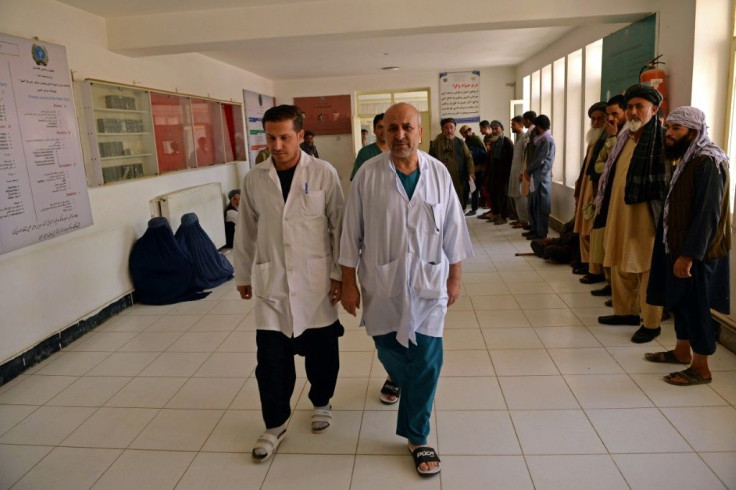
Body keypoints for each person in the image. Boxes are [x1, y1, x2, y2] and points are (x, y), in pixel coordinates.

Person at [340, 102, 473, 477]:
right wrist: (349, 283)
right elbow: (351, 234)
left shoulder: (438, 172)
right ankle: (398, 375)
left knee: (429, 359)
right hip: (382, 283)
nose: (400, 135)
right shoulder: (367, 175)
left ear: (419, 130)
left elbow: (453, 228)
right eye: (393, 128)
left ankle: (417, 436)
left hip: (430, 283)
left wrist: (456, 276)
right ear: (383, 131)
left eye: (408, 128)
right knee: (389, 347)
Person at [233, 104, 344, 463]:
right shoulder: (254, 179)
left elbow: (338, 227)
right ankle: (275, 423)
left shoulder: (323, 173)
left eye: (284, 137)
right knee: (271, 360)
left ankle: (322, 402)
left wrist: (341, 275)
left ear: (300, 135)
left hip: (316, 284)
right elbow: (246, 230)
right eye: (271, 137)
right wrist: (242, 273)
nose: (277, 145)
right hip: (273, 283)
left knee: (323, 355)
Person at [645, 106, 730, 385]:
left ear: (694, 132)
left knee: (697, 307)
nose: (669, 134)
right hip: (678, 247)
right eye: (668, 128)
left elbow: (707, 214)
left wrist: (689, 256)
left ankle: (701, 368)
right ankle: (682, 353)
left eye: (676, 129)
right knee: (680, 302)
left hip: (697, 254)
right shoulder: (687, 159)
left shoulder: (708, 161)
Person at [594, 84, 668, 343]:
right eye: (631, 107)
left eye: (640, 107)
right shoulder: (626, 138)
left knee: (647, 269)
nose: (634, 112)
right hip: (619, 213)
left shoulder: (662, 141)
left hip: (645, 218)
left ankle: (651, 323)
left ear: (654, 109)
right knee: (619, 261)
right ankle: (625, 311)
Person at [589, 95, 628, 298]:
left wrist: (609, 167)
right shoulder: (611, 136)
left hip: (620, 199)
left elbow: (615, 166)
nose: (611, 119)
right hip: (606, 195)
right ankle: (608, 281)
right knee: (605, 240)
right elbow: (599, 166)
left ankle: (618, 289)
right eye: (609, 115)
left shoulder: (625, 137)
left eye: (615, 114)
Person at [573, 102, 608, 281]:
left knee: (592, 228)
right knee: (583, 228)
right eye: (593, 119)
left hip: (596, 190)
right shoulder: (594, 141)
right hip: (586, 187)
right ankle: (586, 262)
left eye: (599, 118)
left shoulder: (608, 140)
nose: (595, 122)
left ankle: (595, 269)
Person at [175, 212, 234, 289]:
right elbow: (212, 256)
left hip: (185, 277)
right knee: (222, 261)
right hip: (207, 273)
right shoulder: (201, 238)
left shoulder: (178, 239)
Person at [429, 117, 475, 210]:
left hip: (458, 176)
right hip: (441, 176)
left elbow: (468, 158)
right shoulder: (435, 143)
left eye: (451, 127)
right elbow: (430, 160)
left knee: (460, 197)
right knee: (444, 198)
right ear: (442, 129)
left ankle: (460, 216)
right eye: (446, 128)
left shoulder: (460, 142)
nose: (449, 130)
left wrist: (471, 172)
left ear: (455, 129)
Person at [523, 114, 555, 240]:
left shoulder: (547, 140)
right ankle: (535, 228)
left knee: (541, 205)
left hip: (541, 177)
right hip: (535, 176)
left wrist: (528, 169)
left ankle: (541, 232)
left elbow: (540, 160)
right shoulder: (541, 139)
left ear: (538, 126)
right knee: (533, 203)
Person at [484, 120, 515, 225]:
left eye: (496, 128)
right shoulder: (493, 142)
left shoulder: (507, 142)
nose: (494, 131)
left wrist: (507, 174)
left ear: (502, 129)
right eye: (492, 129)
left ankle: (503, 216)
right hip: (493, 174)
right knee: (493, 194)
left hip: (503, 175)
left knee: (502, 196)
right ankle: (496, 214)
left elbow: (511, 160)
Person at [350, 113, 388, 180]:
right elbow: (355, 179)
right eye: (380, 127)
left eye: (386, 127)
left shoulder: (396, 152)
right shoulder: (364, 153)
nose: (384, 131)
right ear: (374, 130)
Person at [459, 124, 486, 216]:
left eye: (463, 134)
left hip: (477, 169)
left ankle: (474, 209)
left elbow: (484, 152)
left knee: (474, 190)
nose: (463, 136)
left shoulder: (476, 139)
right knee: (466, 189)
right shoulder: (467, 140)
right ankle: (463, 208)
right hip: (470, 169)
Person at [508, 116, 529, 228]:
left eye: (514, 124)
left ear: (521, 125)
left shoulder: (524, 137)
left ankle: (524, 220)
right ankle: (519, 218)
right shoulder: (518, 137)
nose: (512, 126)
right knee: (516, 196)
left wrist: (522, 172)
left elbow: (525, 157)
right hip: (514, 171)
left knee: (520, 196)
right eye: (512, 124)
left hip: (520, 172)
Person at [520, 111, 537, 233]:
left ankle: (535, 227)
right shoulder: (530, 133)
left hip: (533, 172)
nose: (523, 123)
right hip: (528, 169)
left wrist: (528, 170)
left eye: (524, 120)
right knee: (529, 200)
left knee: (533, 201)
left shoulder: (534, 133)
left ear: (529, 121)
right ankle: (532, 225)